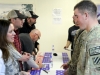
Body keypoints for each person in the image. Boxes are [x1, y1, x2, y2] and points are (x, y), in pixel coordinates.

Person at [73, 1, 100, 75]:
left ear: (85, 15)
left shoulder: (96, 38)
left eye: (77, 16)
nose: (75, 20)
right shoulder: (86, 34)